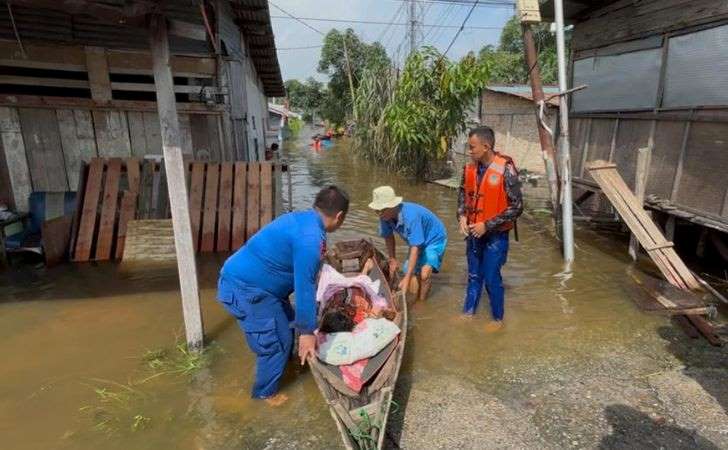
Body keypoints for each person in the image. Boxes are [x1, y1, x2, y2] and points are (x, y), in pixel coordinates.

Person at [216, 186, 349, 405]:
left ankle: (284, 366)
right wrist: (307, 332)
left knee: (287, 325)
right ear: (339, 216)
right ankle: (264, 395)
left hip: (252, 283)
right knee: (276, 342)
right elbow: (304, 285)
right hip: (248, 290)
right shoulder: (311, 238)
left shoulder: (302, 219)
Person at [458, 126, 523, 332]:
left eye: (472, 147)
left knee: (492, 277)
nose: (470, 151)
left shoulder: (506, 169)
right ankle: (468, 313)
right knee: (474, 275)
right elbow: (462, 194)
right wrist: (461, 215)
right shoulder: (469, 169)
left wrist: (487, 225)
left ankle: (497, 319)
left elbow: (517, 207)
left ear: (486, 146)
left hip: (495, 235)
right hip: (474, 232)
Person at [369, 186, 447, 302]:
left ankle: (421, 302)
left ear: (393, 206)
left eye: (382, 210)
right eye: (377, 210)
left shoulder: (411, 216)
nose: (379, 213)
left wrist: (407, 278)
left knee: (424, 274)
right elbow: (388, 236)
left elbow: (415, 248)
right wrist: (392, 259)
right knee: (409, 272)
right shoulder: (384, 216)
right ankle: (412, 299)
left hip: (434, 238)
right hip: (417, 239)